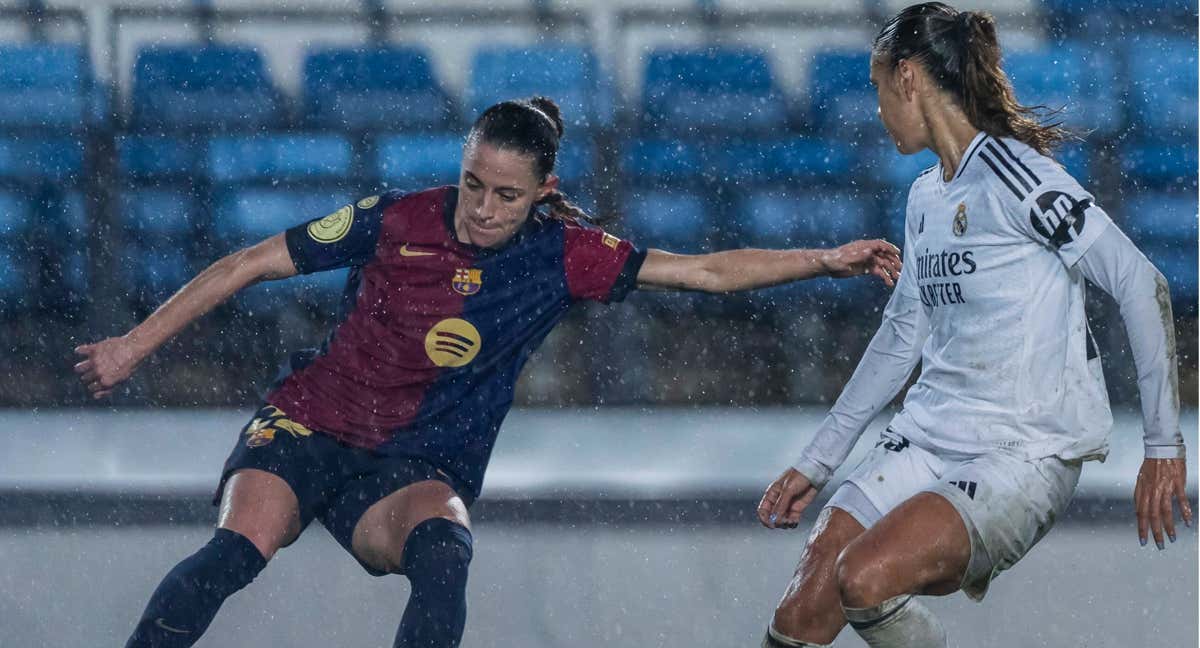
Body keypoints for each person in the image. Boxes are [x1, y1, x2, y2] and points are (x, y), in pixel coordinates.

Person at [74, 96, 901, 648]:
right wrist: (132, 346)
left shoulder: (564, 257)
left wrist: (825, 259)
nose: (480, 208)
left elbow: (709, 272)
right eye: (473, 183)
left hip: (409, 468)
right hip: (307, 426)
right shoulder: (397, 217)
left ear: (543, 192)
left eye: (505, 195)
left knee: (445, 552)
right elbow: (249, 262)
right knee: (233, 554)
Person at [756, 4, 1191, 648]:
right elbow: (901, 339)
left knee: (865, 579)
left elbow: (1139, 281)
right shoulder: (926, 195)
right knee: (801, 614)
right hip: (927, 438)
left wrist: (1161, 447)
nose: (877, 111)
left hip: (1020, 451)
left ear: (908, 77)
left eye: (879, 89)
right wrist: (819, 461)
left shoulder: (1018, 177)